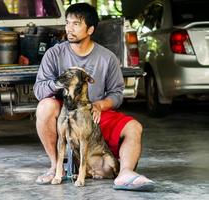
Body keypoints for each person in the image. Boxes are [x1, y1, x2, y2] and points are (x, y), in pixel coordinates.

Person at [33, 3, 155, 191]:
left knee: (134, 127)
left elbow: (116, 94)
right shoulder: (54, 54)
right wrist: (60, 82)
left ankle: (125, 173)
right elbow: (39, 90)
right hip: (65, 110)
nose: (69, 29)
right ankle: (55, 167)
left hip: (94, 112)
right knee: (45, 106)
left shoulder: (107, 58)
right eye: (67, 23)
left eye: (76, 24)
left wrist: (100, 105)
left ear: (90, 29)